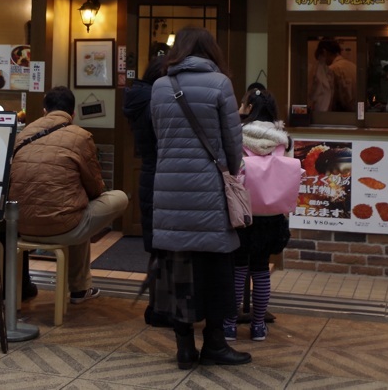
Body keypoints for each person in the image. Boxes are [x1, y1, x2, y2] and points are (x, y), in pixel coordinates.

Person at [149, 27, 252, 369]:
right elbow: (233, 146)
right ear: (211, 50)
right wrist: (227, 169)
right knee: (213, 269)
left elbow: (158, 136)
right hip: (208, 190)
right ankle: (215, 345)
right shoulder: (220, 84)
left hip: (168, 190)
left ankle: (183, 348)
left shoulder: (161, 87)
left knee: (178, 270)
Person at [8, 85, 129, 303]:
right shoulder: (80, 136)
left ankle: (81, 288)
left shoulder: (22, 134)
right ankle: (79, 288)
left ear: (45, 111)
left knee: (77, 208)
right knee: (117, 197)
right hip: (64, 227)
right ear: (72, 114)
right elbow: (95, 187)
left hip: (21, 226)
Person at [225, 88, 293, 343]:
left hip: (243, 211)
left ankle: (230, 326)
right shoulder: (284, 139)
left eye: (243, 104)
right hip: (272, 213)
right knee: (262, 270)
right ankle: (258, 327)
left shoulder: (238, 136)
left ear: (250, 108)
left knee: (238, 270)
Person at [121, 52, 172, 327]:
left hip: (148, 174)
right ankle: (168, 309)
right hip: (168, 174)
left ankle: (156, 307)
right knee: (171, 244)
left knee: (157, 246)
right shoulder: (161, 100)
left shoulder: (138, 99)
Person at [308, 39, 357, 113]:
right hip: (356, 114)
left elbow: (329, 101)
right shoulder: (353, 66)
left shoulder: (332, 69)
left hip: (342, 116)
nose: (322, 63)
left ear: (324, 53)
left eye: (320, 59)